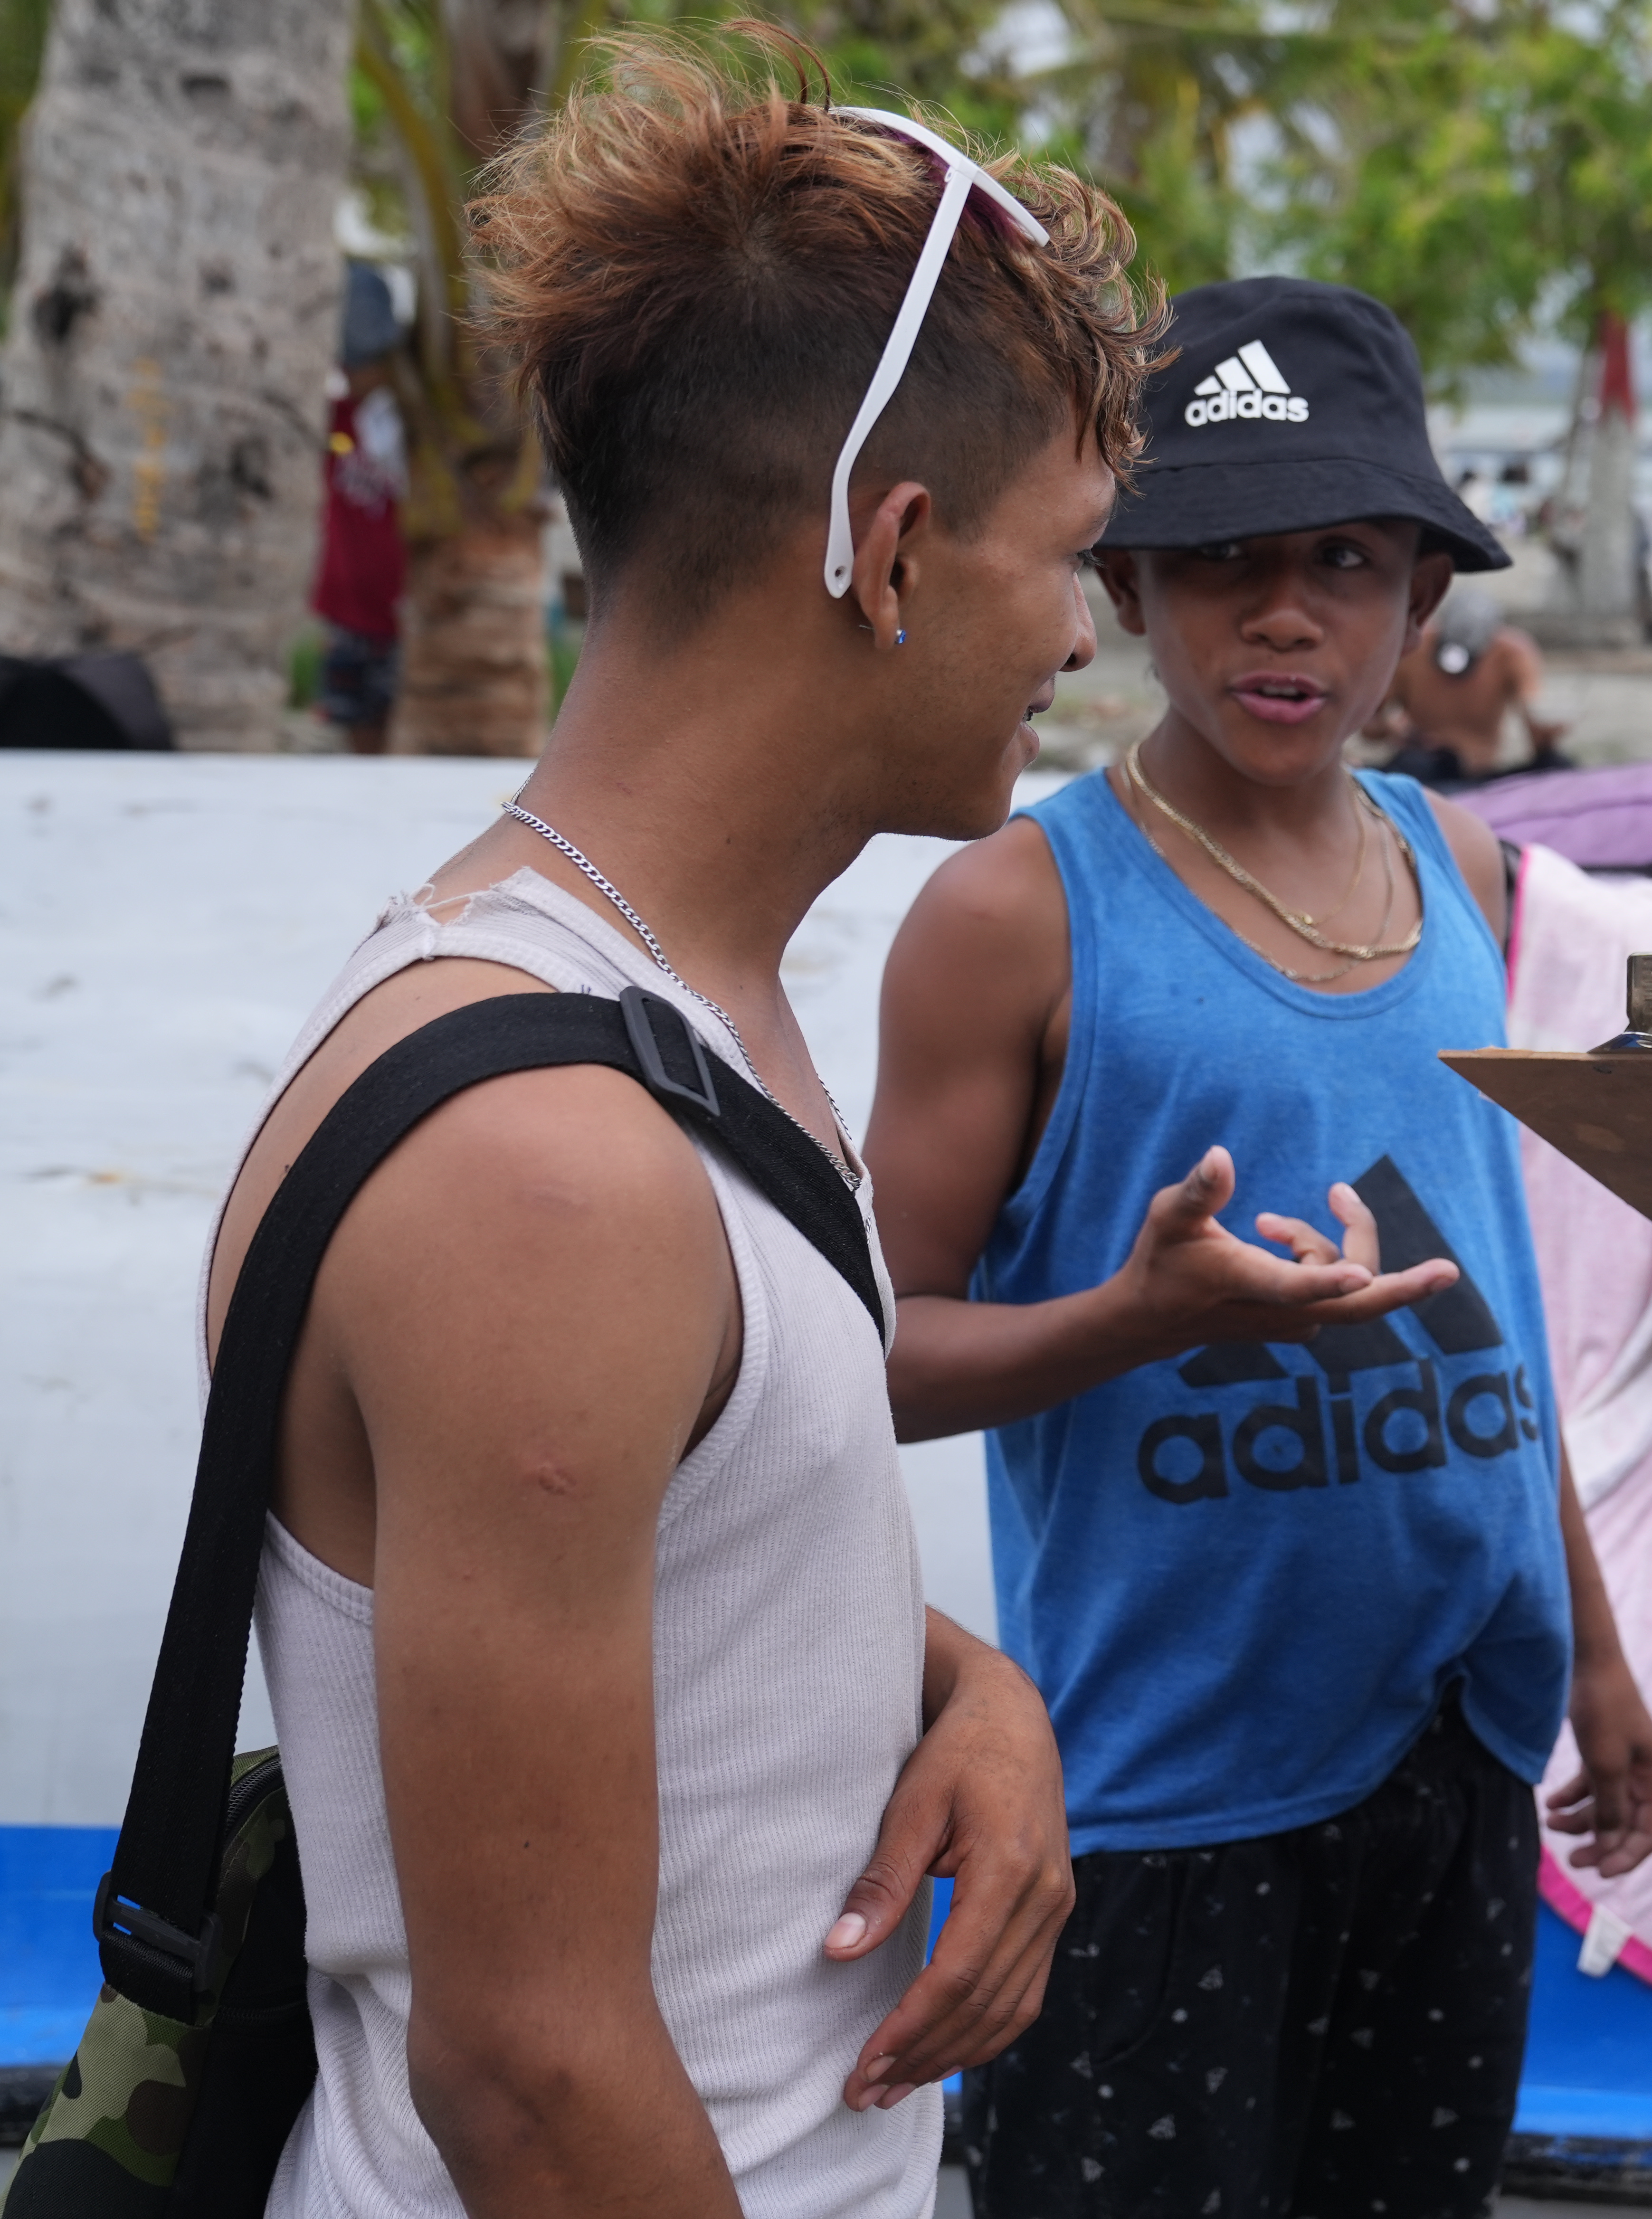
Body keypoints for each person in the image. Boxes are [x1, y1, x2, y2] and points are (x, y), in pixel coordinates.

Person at [205, 35, 1153, 2214]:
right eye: (1068, 556)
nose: (1085, 633)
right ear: (894, 553)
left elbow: (648, 1559)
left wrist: (966, 1686)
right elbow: (528, 2063)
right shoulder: (550, 1162)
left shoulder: (668, 1013)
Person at [864, 274, 1652, 2219]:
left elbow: (1489, 1307)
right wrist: (1133, 1316)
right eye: (1222, 562)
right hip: (1162, 1794)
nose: (1286, 614)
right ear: (1128, 588)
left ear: (1426, 596)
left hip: (1457, 1744)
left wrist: (1600, 1659)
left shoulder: (1467, 873)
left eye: (1344, 559)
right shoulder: (1017, 914)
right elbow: (867, 1352)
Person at [313, 262, 408, 754]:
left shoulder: (418, 428)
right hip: (349, 613)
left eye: (364, 362)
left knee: (402, 732)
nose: (354, 375)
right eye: (348, 365)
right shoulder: (338, 420)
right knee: (359, 734)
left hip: (406, 613)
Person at [1375, 583, 1570, 782]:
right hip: (1424, 768)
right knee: (1411, 765)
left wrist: (1548, 731)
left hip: (1482, 776)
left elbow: (1536, 728)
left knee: (1558, 767)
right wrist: (1394, 728)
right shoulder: (1414, 649)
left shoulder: (1511, 653)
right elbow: (1371, 728)